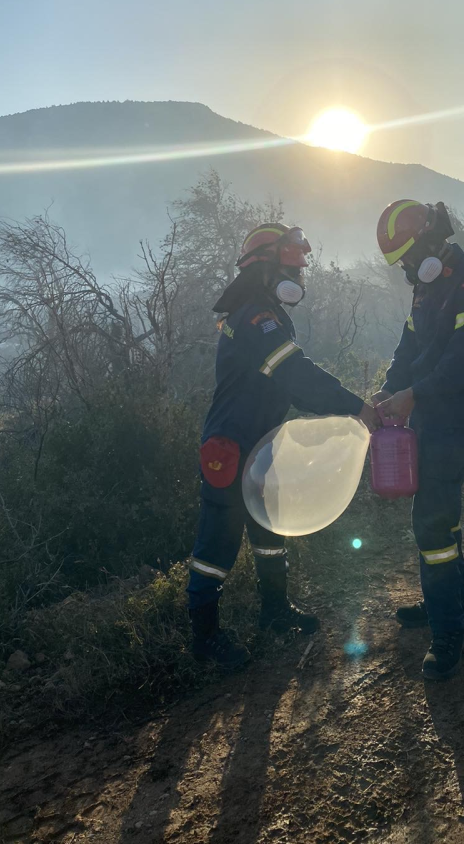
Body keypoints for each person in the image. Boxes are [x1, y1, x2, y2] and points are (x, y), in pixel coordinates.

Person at [188, 222, 379, 670]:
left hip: (260, 444)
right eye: (293, 267)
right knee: (217, 546)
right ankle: (205, 641)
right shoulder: (256, 316)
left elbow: (290, 388)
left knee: (269, 530)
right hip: (230, 449)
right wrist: (356, 407)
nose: (300, 276)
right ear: (266, 269)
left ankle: (274, 613)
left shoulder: (265, 312)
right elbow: (296, 375)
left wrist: (338, 414)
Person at [373, 200, 464, 680]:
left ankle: (448, 630)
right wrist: (392, 385)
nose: (406, 268)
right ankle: (450, 603)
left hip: (455, 419)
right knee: (439, 518)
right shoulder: (427, 288)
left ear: (430, 241)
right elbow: (410, 346)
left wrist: (415, 395)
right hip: (425, 413)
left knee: (431, 522)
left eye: (408, 256)